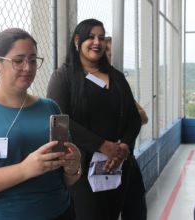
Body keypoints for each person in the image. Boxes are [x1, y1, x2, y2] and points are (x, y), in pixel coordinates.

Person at [0, 28, 81, 220]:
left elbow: (66, 178)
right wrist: (24, 169)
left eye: (33, 60)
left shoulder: (50, 108)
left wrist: (73, 167)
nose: (27, 68)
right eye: (18, 61)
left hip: (59, 212)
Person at [46, 19, 142, 220]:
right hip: (81, 168)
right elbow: (59, 121)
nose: (97, 42)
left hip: (116, 165)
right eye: (91, 37)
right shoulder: (63, 77)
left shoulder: (116, 77)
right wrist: (101, 145)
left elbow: (133, 117)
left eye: (101, 37)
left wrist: (123, 146)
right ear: (77, 40)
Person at [105, 36, 147, 220]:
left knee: (135, 208)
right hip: (101, 160)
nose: (111, 58)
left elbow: (142, 117)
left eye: (114, 54)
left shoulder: (119, 83)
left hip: (126, 156)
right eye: (108, 53)